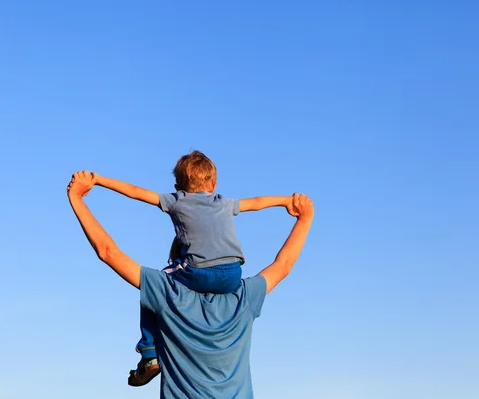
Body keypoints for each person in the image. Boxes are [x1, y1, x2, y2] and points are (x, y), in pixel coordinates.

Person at [67, 169, 315, 398]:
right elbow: (283, 265)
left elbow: (108, 252)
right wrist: (304, 218)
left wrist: (78, 199)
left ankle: (148, 354)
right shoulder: (244, 298)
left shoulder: (166, 293)